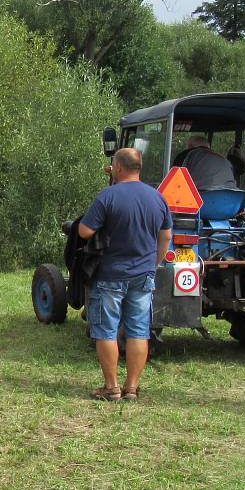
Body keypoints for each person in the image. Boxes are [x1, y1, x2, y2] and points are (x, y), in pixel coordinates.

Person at [78, 148, 172, 401]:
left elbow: (85, 231)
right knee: (139, 330)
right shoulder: (157, 197)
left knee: (106, 330)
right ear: (138, 167)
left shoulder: (108, 196)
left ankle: (111, 387)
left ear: (118, 167)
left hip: (110, 274)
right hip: (143, 274)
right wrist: (154, 262)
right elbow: (166, 237)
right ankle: (132, 387)